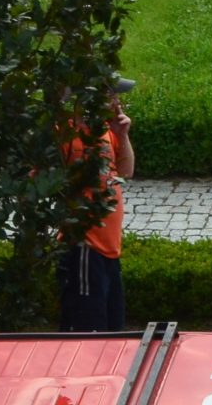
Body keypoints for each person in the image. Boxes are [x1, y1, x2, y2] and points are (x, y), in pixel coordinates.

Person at [57, 82, 135, 332]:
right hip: (85, 248)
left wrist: (122, 136)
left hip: (109, 248)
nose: (115, 102)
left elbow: (125, 171)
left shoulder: (106, 130)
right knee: (89, 333)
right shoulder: (68, 134)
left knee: (113, 330)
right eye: (109, 96)